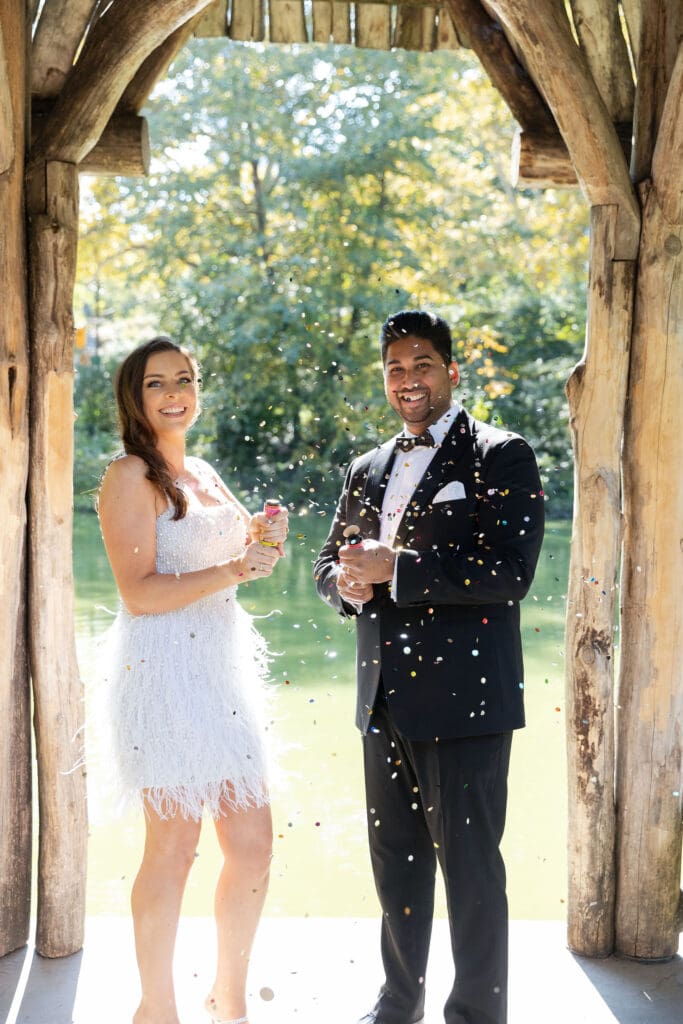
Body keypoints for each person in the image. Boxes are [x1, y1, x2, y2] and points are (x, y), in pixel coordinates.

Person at [314, 310, 544, 1024]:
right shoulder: (366, 467)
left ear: (451, 370)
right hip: (381, 697)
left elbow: (510, 573)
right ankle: (397, 1003)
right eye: (394, 368)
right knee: (395, 863)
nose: (406, 380)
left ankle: (476, 1015)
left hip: (466, 702)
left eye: (421, 365)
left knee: (471, 872)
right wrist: (344, 585)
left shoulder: (501, 455)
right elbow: (327, 562)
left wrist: (399, 568)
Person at [97, 336, 288, 1024]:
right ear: (134, 396)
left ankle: (228, 996)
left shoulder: (202, 470)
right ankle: (157, 1007)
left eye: (183, 379)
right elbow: (139, 593)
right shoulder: (129, 476)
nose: (174, 393)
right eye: (156, 383)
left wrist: (263, 538)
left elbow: (239, 552)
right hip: (161, 672)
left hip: (221, 671)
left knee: (253, 845)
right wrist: (235, 568)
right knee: (174, 847)